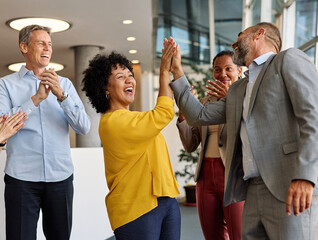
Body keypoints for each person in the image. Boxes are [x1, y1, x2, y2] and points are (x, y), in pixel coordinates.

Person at [169, 21, 318, 240]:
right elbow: (198, 116)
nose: (233, 42)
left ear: (260, 34)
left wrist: (305, 176)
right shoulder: (239, 88)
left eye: (240, 36)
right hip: (251, 190)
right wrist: (177, 70)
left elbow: (313, 117)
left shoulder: (288, 60)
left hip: (288, 186)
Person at [81, 38, 180, 240]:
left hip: (166, 200)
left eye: (130, 75)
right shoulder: (112, 122)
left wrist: (174, 69)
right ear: (105, 88)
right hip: (136, 208)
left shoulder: (135, 119)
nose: (129, 80)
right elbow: (163, 114)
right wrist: (163, 72)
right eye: (120, 77)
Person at [0, 24, 91, 239]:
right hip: (21, 179)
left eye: (49, 44)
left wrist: (62, 96)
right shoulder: (5, 85)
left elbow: (84, 126)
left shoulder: (65, 85)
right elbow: (2, 126)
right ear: (24, 46)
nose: (47, 48)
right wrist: (36, 99)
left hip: (60, 178)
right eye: (41, 43)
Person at [177, 50, 244, 240]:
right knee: (212, 234)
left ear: (239, 70)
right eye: (217, 69)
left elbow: (249, 131)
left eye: (228, 68)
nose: (222, 74)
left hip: (233, 174)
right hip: (205, 176)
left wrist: (231, 99)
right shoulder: (203, 104)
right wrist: (183, 117)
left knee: (238, 234)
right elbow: (191, 145)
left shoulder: (246, 99)